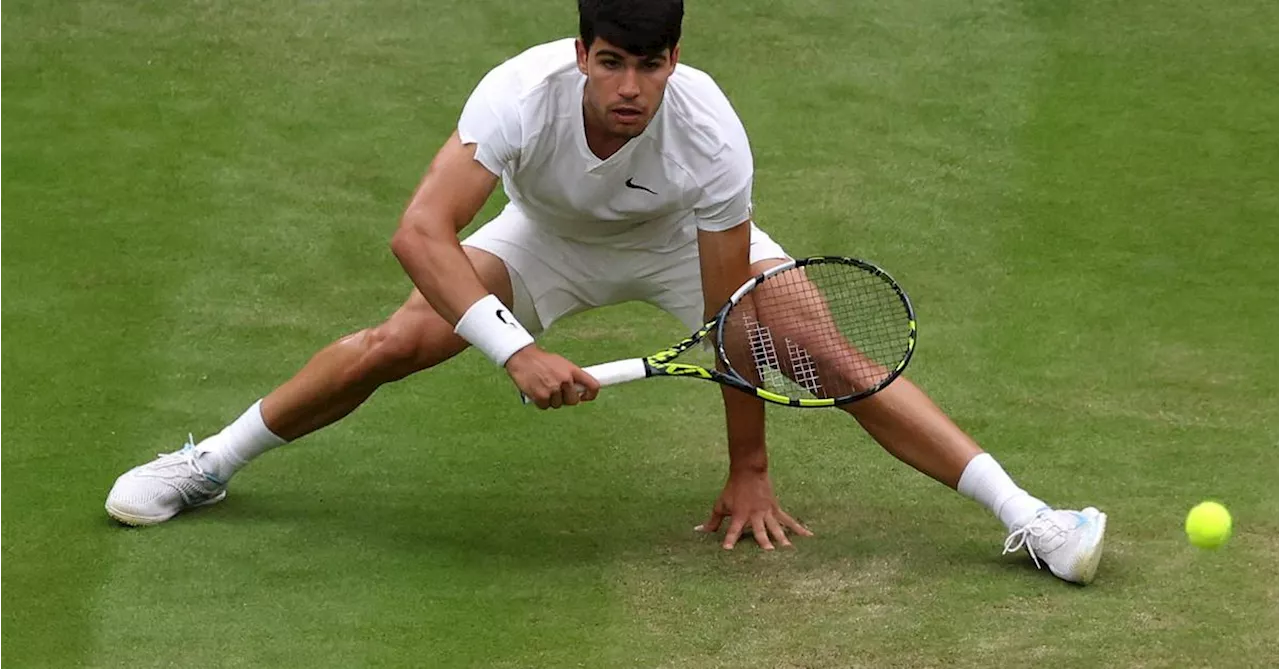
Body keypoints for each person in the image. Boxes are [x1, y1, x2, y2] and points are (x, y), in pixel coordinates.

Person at [105, 0, 1107, 584]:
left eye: (651, 63)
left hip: (679, 245)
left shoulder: (708, 134)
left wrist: (748, 467)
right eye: (611, 61)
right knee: (394, 344)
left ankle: (1029, 519)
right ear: (582, 54)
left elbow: (725, 323)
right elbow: (419, 233)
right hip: (547, 241)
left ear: (674, 60)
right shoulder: (516, 96)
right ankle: (210, 463)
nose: (629, 85)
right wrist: (515, 349)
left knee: (821, 352)